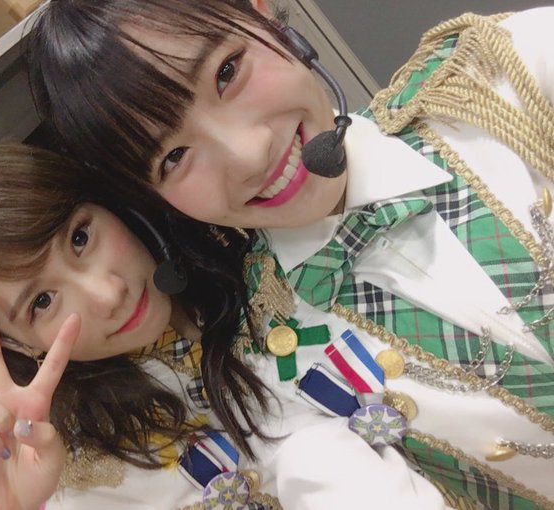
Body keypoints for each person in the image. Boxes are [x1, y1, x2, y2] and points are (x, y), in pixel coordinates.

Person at [27, 1, 554, 508]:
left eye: (227, 72)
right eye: (174, 157)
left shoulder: (491, 80)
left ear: (261, 13)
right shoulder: (268, 367)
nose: (249, 154)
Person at [0, 144, 446, 510]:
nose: (108, 293)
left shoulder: (264, 250)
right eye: (41, 302)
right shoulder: (85, 472)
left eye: (80, 237)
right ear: (13, 343)